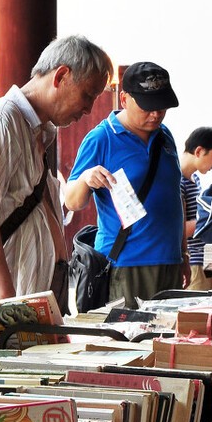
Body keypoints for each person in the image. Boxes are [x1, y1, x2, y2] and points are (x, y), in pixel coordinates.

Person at [0, 34, 111, 310]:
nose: (88, 109)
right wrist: (6, 300)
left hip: (28, 297)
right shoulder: (1, 120)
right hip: (1, 302)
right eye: (87, 95)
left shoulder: (37, 130)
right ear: (61, 76)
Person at [65, 62, 188, 307]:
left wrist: (183, 253)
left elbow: (176, 196)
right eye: (148, 107)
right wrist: (87, 178)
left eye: (162, 106)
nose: (156, 114)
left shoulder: (165, 136)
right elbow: (72, 201)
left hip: (170, 261)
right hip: (128, 263)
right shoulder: (102, 138)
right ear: (124, 99)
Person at [179, 126, 212, 290]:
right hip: (194, 263)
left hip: (207, 259)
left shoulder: (194, 179)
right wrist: (209, 220)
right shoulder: (178, 181)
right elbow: (179, 228)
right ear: (198, 151)